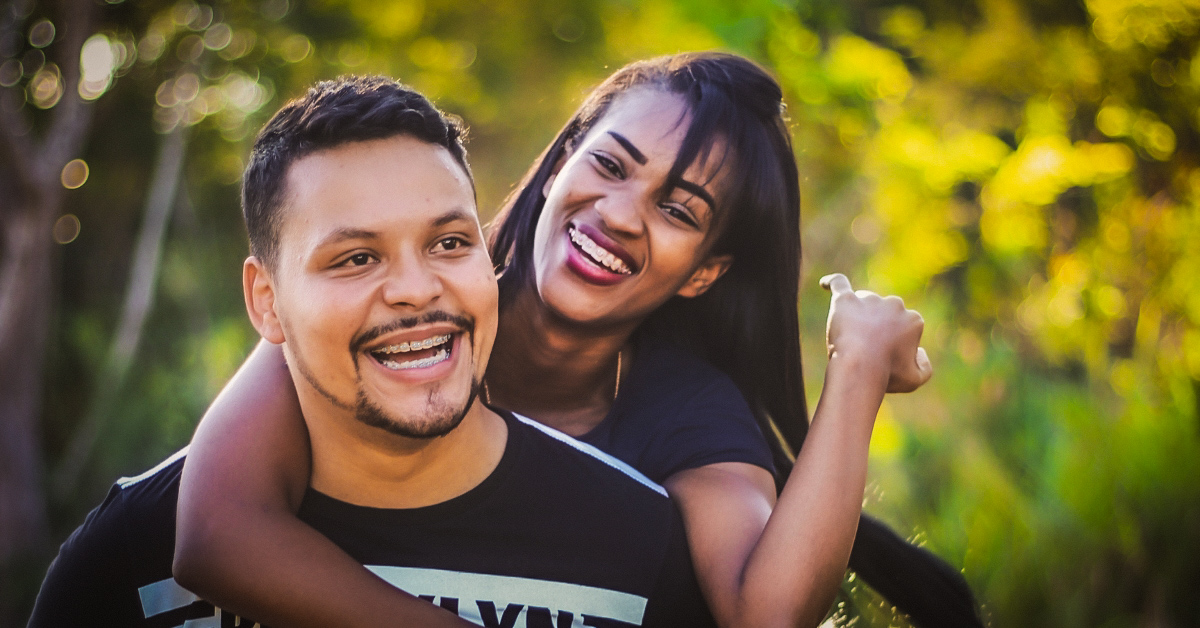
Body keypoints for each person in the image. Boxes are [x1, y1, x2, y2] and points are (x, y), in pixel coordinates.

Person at [174, 53, 983, 628]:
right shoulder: (408, 295)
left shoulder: (685, 411)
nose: (622, 213)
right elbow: (215, 536)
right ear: (562, 161)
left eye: (680, 210)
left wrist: (859, 368)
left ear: (705, 272)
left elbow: (764, 615)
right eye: (611, 165)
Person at [27, 76, 718, 628]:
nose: (417, 291)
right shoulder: (130, 556)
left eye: (449, 243)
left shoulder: (638, 545)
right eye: (356, 258)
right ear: (267, 301)